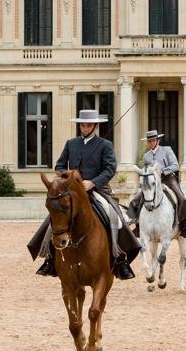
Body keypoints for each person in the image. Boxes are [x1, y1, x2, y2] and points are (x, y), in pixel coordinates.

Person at [26, 108, 141, 280]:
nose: (85, 128)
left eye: (88, 125)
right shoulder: (71, 143)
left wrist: (92, 182)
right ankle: (49, 259)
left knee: (114, 216)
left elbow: (110, 169)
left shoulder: (105, 145)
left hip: (98, 189)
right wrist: (67, 177)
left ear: (95, 126)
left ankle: (120, 258)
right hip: (72, 191)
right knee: (54, 218)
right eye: (82, 125)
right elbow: (59, 166)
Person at [126, 129, 186, 238]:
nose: (151, 143)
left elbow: (175, 166)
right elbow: (144, 171)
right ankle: (138, 225)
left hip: (168, 180)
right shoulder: (146, 156)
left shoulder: (167, 150)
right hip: (152, 182)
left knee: (182, 199)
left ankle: (184, 227)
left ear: (158, 141)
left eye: (153, 141)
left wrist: (163, 170)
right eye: (149, 141)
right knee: (136, 200)